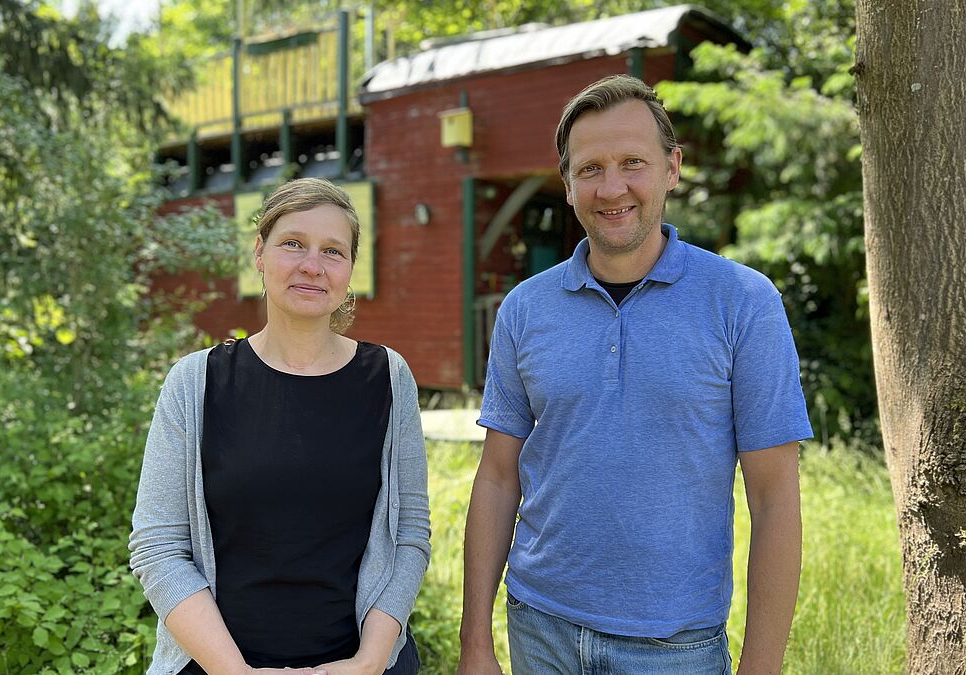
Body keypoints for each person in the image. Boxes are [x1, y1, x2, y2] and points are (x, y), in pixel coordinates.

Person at [457, 75, 812, 675]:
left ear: (672, 168)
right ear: (567, 185)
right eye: (590, 169)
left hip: (677, 646)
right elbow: (496, 477)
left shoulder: (743, 302)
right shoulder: (524, 308)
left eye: (632, 163)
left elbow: (775, 498)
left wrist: (762, 666)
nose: (611, 187)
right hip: (539, 629)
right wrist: (474, 645)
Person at [130, 178, 431, 675]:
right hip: (216, 666)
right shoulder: (196, 381)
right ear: (260, 255)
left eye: (332, 250)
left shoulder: (388, 378)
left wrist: (369, 663)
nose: (312, 264)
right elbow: (159, 546)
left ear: (350, 268)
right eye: (293, 243)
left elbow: (409, 536)